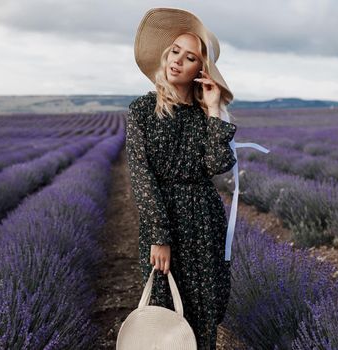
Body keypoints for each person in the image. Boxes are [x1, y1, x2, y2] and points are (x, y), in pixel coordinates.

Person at [126, 7, 238, 349]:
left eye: (190, 58)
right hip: (164, 222)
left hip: (203, 220)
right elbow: (141, 176)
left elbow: (217, 165)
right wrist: (159, 235)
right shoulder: (142, 111)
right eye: (175, 51)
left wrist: (215, 108)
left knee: (204, 313)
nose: (177, 61)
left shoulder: (204, 116)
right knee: (164, 315)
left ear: (200, 70)